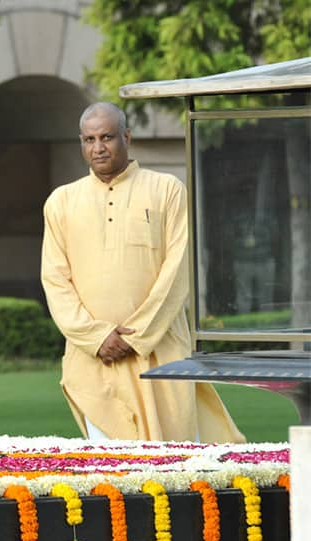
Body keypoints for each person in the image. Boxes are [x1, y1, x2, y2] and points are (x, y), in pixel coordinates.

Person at [41, 102, 244, 442]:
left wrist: (134, 337)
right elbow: (55, 280)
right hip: (96, 359)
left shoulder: (166, 189)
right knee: (114, 470)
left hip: (160, 350)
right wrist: (97, 337)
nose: (98, 147)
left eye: (107, 137)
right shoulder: (61, 201)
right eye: (89, 139)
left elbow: (179, 269)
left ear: (127, 137)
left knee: (176, 465)